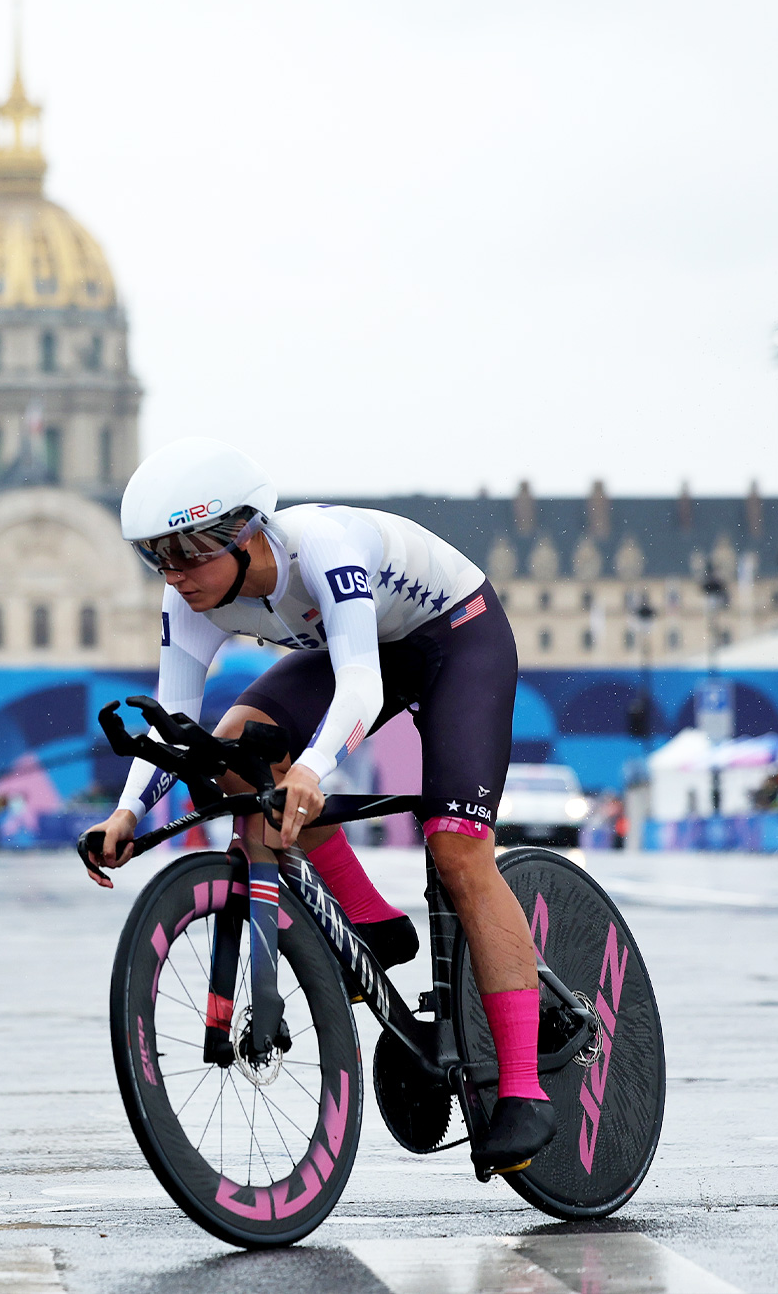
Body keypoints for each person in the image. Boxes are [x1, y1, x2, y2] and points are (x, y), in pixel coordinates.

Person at [79, 437, 554, 1172]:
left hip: (456, 640)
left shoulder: (322, 547)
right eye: (156, 559)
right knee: (232, 749)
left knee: (457, 850)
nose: (172, 575)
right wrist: (127, 816)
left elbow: (360, 683)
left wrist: (313, 766)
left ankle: (524, 1092)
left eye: (185, 555)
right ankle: (369, 918)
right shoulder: (191, 596)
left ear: (243, 533)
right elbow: (174, 715)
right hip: (357, 648)